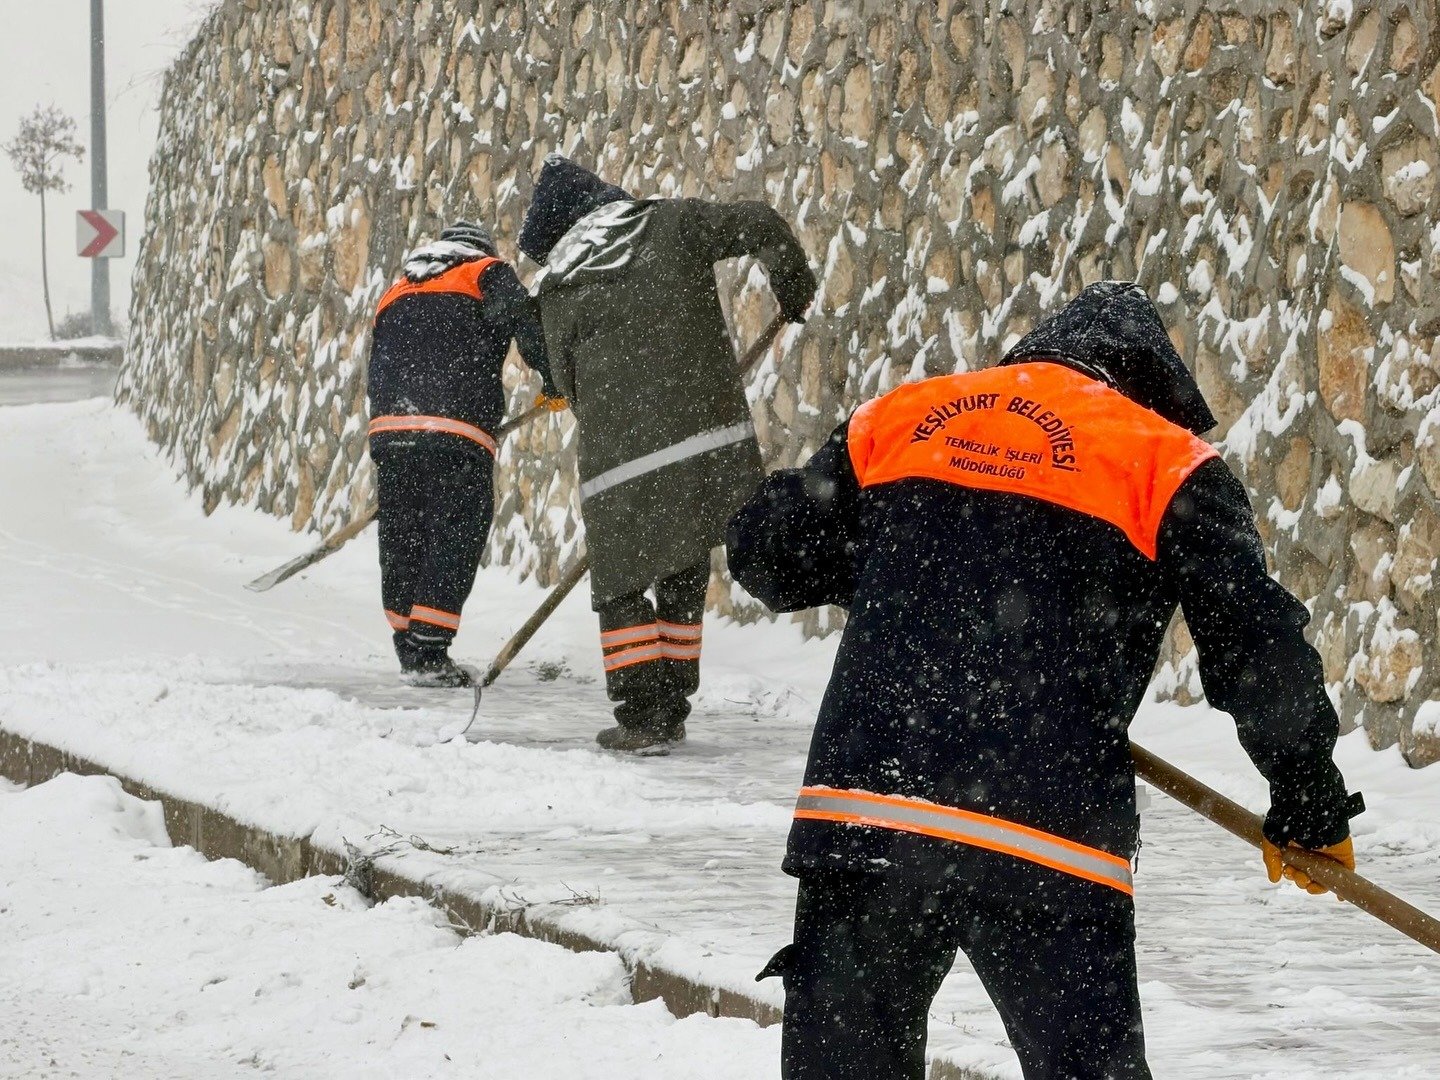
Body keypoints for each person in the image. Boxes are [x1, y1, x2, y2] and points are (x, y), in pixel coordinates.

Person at [726, 280, 1364, 1079]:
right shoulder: (1162, 460)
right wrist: (1309, 798)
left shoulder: (904, 418)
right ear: (1154, 385)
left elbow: (770, 554)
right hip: (1045, 833)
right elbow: (1256, 644)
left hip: (869, 817)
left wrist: (913, 559)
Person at [517, 155, 816, 751]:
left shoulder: (556, 292)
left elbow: (567, 382)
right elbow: (756, 220)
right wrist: (793, 286)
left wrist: (622, 414)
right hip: (708, 443)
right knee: (681, 555)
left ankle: (642, 715)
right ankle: (673, 703)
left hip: (619, 462)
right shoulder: (672, 224)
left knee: (621, 584)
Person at [367, 221, 564, 687]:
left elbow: (382, 358)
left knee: (403, 532)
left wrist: (393, 425)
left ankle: (408, 643)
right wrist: (555, 381)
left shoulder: (398, 287)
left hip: (391, 429)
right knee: (457, 527)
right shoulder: (484, 271)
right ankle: (429, 651)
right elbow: (525, 318)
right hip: (455, 428)